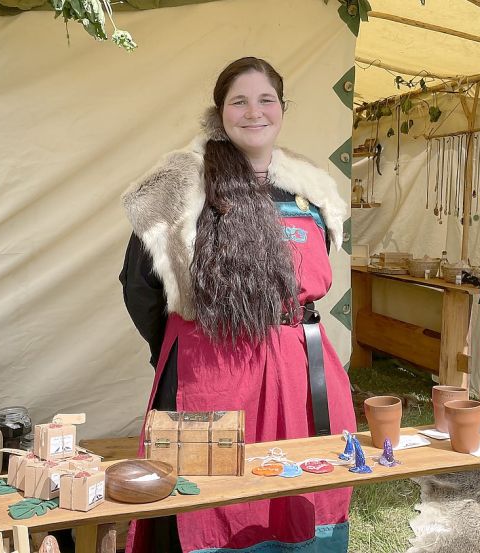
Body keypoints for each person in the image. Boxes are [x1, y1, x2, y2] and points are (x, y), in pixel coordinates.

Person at [119, 56, 355, 553]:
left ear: (282, 109)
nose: (254, 112)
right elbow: (139, 285)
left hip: (299, 374)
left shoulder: (310, 189)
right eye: (240, 101)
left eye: (266, 100)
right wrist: (180, 355)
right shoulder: (180, 184)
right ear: (220, 111)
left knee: (300, 499)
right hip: (212, 374)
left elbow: (313, 282)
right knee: (206, 505)